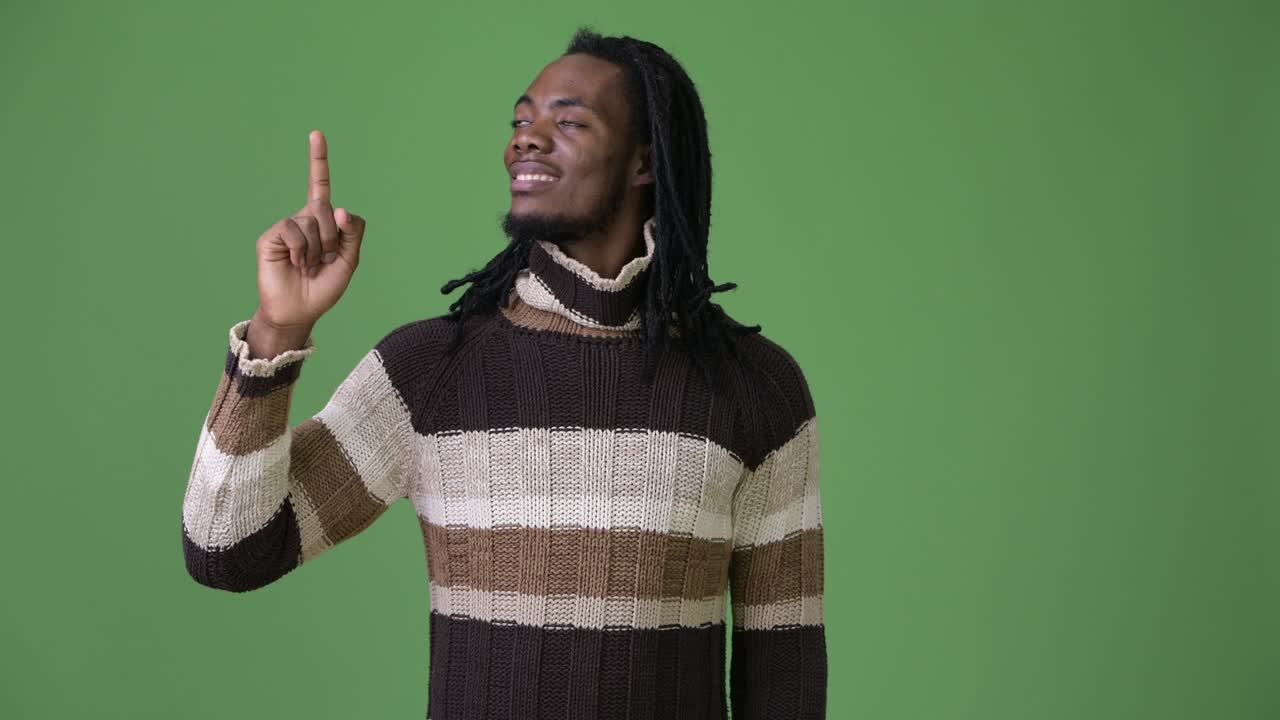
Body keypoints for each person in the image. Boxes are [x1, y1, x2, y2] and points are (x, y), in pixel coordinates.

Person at [181, 26, 826, 720]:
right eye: (521, 121)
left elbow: (782, 669)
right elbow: (228, 551)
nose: (526, 138)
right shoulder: (430, 373)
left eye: (568, 121)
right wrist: (278, 329)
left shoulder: (754, 388)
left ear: (646, 162)